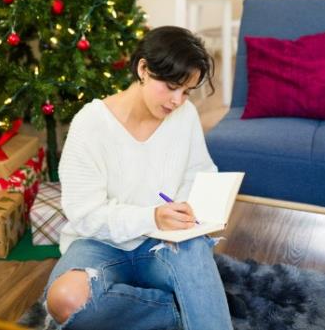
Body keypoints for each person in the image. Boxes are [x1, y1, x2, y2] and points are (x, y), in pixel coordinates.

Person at [42, 26, 233, 330]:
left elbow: (199, 174)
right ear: (143, 68)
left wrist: (193, 211)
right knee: (64, 299)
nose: (177, 101)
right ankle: (177, 311)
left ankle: (199, 308)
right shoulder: (90, 125)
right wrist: (152, 217)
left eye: (186, 91)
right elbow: (86, 214)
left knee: (195, 250)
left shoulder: (184, 116)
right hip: (99, 244)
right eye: (171, 86)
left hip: (163, 243)